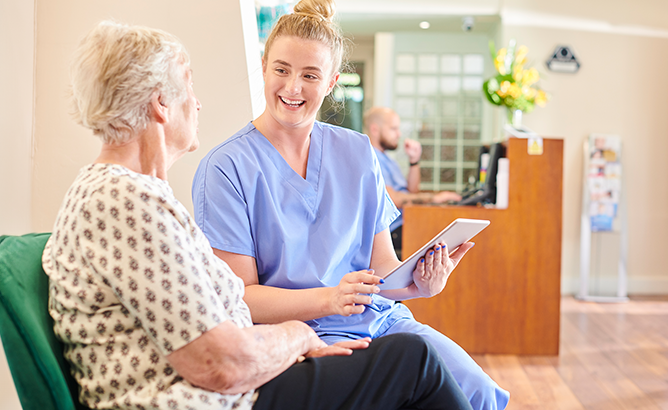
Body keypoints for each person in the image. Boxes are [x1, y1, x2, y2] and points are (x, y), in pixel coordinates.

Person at [42, 21, 472, 410]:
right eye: (188, 87)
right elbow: (221, 362)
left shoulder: (136, 196)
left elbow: (213, 327)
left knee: (423, 364)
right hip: (211, 398)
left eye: (310, 75)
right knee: (412, 362)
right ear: (161, 104)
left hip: (233, 383)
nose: (197, 102)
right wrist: (300, 336)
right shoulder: (125, 203)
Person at [189, 1, 510, 409]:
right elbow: (241, 299)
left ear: (331, 82)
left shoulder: (357, 152)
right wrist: (328, 299)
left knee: (477, 390)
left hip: (382, 321)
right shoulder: (226, 167)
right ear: (265, 65)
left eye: (310, 75)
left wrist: (420, 284)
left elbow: (380, 271)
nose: (292, 88)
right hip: (305, 334)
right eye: (282, 70)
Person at [363, 106, 462, 250]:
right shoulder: (370, 158)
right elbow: (393, 200)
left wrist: (414, 161)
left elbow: (412, 192)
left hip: (406, 223)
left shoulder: (388, 160)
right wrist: (433, 198)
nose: (399, 134)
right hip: (391, 233)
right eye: (393, 129)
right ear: (375, 130)